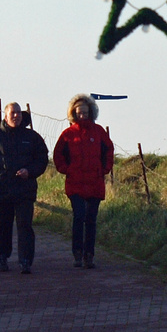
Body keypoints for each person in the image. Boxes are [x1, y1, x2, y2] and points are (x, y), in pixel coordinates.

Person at [0, 100, 48, 273]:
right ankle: (2, 257)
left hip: (25, 189)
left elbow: (42, 159)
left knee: (25, 226)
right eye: (12, 113)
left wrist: (29, 171)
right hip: (2, 189)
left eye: (19, 113)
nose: (16, 116)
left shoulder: (32, 137)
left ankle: (25, 261)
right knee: (3, 226)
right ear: (5, 116)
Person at [52, 93, 114, 268]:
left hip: (94, 182)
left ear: (91, 112)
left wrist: (104, 169)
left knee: (91, 219)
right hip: (76, 183)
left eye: (85, 112)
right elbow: (58, 155)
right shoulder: (68, 134)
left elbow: (108, 151)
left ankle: (90, 255)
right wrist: (66, 170)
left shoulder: (99, 132)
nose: (82, 115)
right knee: (79, 217)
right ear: (73, 113)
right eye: (79, 113)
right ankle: (77, 253)